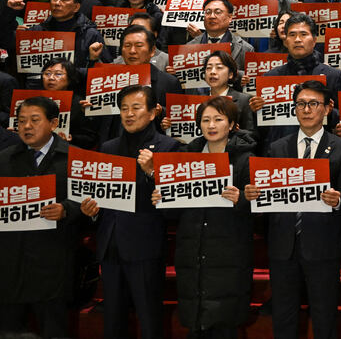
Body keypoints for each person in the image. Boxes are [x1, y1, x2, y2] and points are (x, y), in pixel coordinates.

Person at [244, 81, 341, 339]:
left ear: (327, 109)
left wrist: (338, 199)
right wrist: (253, 195)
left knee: (324, 315)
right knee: (283, 315)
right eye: (301, 104)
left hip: (322, 246)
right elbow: (266, 193)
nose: (306, 110)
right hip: (283, 245)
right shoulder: (277, 148)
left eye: (313, 104)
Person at [79, 85, 182, 339]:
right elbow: (101, 195)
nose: (129, 114)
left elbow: (175, 206)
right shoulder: (108, 147)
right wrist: (91, 210)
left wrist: (152, 172)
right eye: (124, 108)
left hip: (144, 247)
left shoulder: (170, 148)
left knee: (149, 319)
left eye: (136, 108)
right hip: (110, 244)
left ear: (152, 113)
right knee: (112, 321)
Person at [152, 96, 255, 338]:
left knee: (224, 322)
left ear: (231, 125)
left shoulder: (245, 160)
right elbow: (174, 212)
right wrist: (162, 199)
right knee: (195, 320)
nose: (211, 125)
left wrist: (242, 200)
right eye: (206, 120)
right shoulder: (186, 158)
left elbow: (260, 211)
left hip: (229, 251)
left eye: (218, 119)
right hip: (192, 249)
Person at [0, 97, 79, 339]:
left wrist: (66, 209)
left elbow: (91, 200)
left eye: (35, 120)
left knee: (53, 330)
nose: (26, 126)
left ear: (54, 123)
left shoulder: (75, 158)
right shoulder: (4, 159)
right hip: (10, 264)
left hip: (52, 263)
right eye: (21, 121)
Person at [32, 0, 112, 69]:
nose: (57, 3)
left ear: (76, 7)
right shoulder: (38, 30)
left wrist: (92, 61)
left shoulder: (90, 34)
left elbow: (105, 69)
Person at [186, 0, 254, 69]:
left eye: (218, 12)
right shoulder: (189, 47)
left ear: (230, 17)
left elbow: (250, 78)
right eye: (208, 12)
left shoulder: (245, 49)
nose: (212, 16)